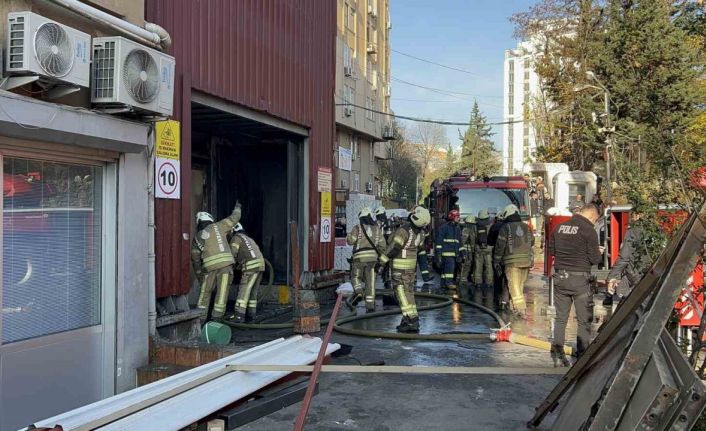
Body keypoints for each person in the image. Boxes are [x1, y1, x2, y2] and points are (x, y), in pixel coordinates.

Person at [548, 204, 604, 366]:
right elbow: (594, 259)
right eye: (595, 220)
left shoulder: (559, 227)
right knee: (583, 320)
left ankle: (557, 349)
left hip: (560, 277)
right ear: (592, 216)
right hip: (580, 280)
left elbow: (552, 251)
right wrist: (598, 252)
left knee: (561, 318)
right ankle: (582, 355)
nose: (594, 222)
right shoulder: (588, 230)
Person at [378, 206, 432, 333]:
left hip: (399, 269)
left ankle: (411, 319)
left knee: (401, 294)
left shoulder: (404, 231)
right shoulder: (422, 233)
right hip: (410, 269)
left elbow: (394, 248)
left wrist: (381, 261)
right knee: (409, 293)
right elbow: (418, 249)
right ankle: (410, 318)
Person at [191, 203, 242, 323]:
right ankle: (216, 322)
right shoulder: (220, 226)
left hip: (209, 269)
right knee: (221, 295)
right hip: (226, 267)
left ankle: (200, 323)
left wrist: (200, 277)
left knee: (204, 295)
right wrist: (238, 207)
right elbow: (235, 218)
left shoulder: (198, 237)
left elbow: (195, 259)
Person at [493, 204, 534, 316]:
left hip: (512, 263)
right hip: (527, 261)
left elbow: (500, 246)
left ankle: (521, 310)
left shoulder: (505, 228)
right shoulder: (527, 227)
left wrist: (496, 261)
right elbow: (532, 241)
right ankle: (510, 306)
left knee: (514, 287)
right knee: (519, 285)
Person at [346, 207, 386, 311]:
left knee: (355, 277)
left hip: (358, 259)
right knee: (370, 282)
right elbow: (383, 245)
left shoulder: (357, 228)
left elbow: (350, 241)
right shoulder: (377, 229)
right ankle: (370, 306)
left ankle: (359, 292)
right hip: (372, 260)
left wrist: (348, 235)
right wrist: (379, 257)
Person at [605, 214, 648, 305]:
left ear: (637, 215)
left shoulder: (634, 229)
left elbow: (624, 256)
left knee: (627, 307)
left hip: (635, 272)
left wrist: (612, 277)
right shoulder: (658, 230)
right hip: (650, 273)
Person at [228, 223, 265, 322]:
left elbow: (232, 254)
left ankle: (239, 316)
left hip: (251, 267)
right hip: (260, 265)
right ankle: (251, 314)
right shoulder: (249, 238)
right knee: (253, 291)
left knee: (244, 290)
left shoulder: (236, 238)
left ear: (233, 230)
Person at [435, 209, 462, 292]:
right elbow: (439, 241)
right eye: (457, 216)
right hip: (446, 253)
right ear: (453, 217)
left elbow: (459, 242)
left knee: (445, 270)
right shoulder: (444, 228)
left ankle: (443, 283)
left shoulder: (457, 228)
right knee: (450, 268)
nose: (459, 218)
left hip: (453, 253)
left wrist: (462, 253)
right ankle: (449, 283)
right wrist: (438, 254)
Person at [473, 209, 495, 306]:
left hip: (478, 248)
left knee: (478, 266)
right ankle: (489, 282)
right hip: (488, 248)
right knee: (489, 265)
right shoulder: (490, 224)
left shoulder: (476, 225)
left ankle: (478, 282)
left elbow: (473, 237)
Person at [457, 214, 477, 294]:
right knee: (466, 265)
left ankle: (460, 278)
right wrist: (472, 250)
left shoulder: (463, 228)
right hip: (466, 250)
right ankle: (463, 280)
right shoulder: (467, 230)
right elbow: (467, 241)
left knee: (463, 264)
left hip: (464, 250)